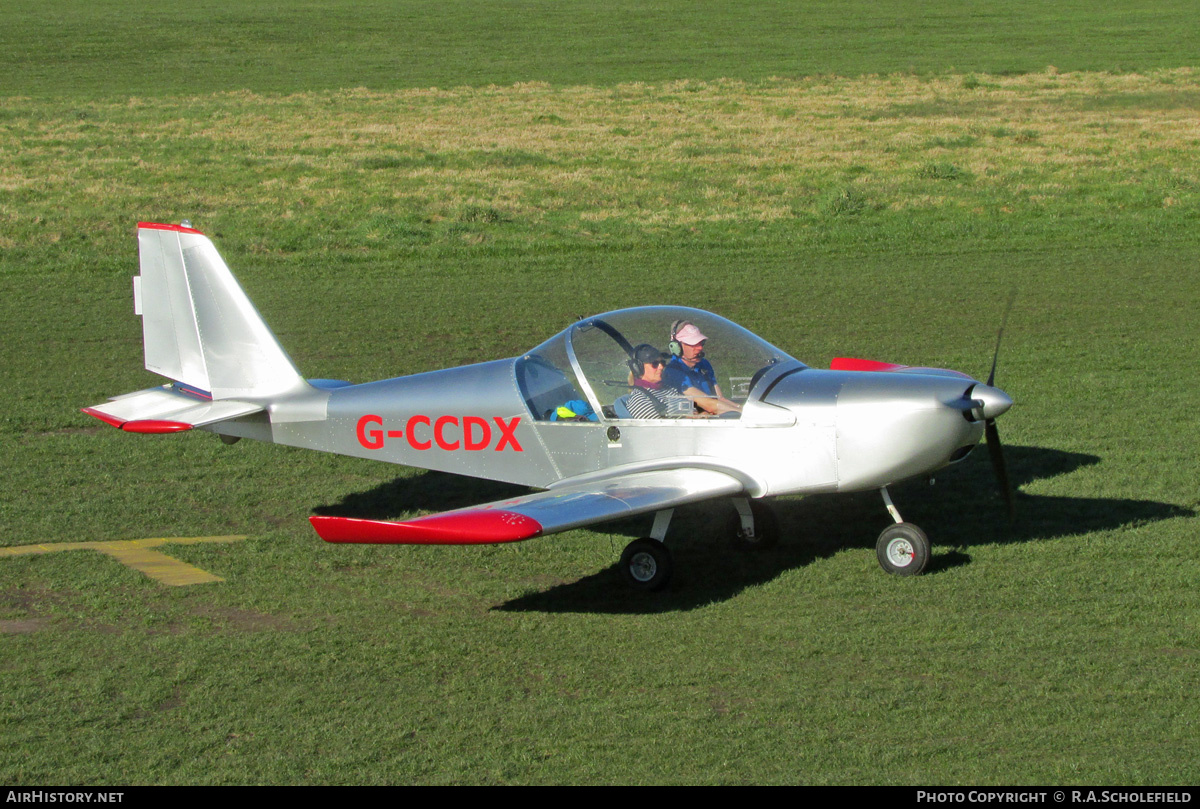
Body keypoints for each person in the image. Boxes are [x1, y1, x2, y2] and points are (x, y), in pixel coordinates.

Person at [662, 321, 742, 416]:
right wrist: (744, 414)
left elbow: (719, 399)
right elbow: (709, 405)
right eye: (693, 344)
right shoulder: (673, 372)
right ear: (676, 347)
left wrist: (744, 409)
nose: (699, 348)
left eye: (701, 343)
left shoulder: (704, 364)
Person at [624, 344, 704, 419]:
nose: (661, 367)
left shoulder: (669, 388)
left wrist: (702, 414)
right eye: (655, 364)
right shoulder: (639, 400)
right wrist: (689, 419)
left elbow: (693, 407)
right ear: (638, 368)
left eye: (662, 362)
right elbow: (657, 431)